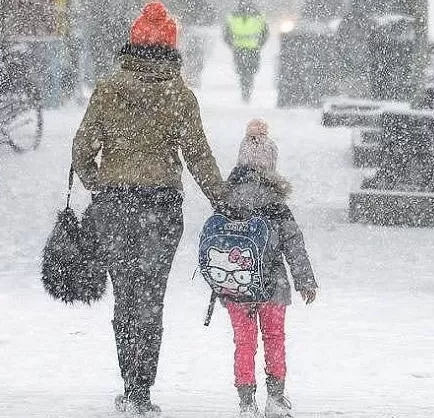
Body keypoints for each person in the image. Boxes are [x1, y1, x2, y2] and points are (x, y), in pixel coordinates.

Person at [71, 2, 225, 416]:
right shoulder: (179, 95)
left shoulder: (107, 89)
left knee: (125, 294)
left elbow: (82, 149)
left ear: (132, 45)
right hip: (161, 204)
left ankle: (128, 382)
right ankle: (143, 390)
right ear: (172, 49)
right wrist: (223, 201)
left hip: (115, 203)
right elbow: (198, 156)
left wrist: (96, 183)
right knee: (151, 296)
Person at [219, 119, 318, 417]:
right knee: (274, 339)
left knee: (244, 343)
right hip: (273, 284)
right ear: (271, 163)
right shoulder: (276, 201)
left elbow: (216, 244)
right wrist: (305, 280)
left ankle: (246, 401)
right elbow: (293, 243)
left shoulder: (226, 200)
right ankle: (275, 399)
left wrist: (219, 281)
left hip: (237, 284)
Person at [223, 0, 269, 103]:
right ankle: (246, 92)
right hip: (249, 49)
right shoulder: (258, 17)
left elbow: (226, 35)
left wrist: (233, 45)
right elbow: (265, 34)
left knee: (245, 72)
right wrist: (259, 44)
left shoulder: (234, 17)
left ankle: (246, 92)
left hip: (244, 49)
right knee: (246, 72)